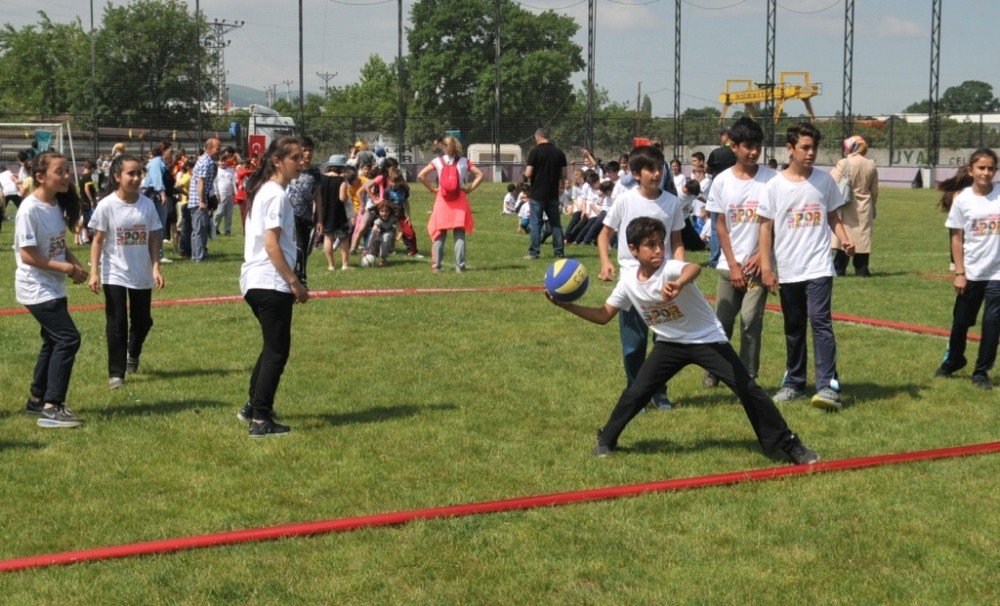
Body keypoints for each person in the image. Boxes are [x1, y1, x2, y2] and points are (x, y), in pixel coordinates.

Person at [548, 217, 819, 465]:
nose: (657, 250)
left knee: (747, 388)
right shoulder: (629, 280)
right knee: (637, 391)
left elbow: (692, 268)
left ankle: (788, 444)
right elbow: (603, 315)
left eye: (660, 244)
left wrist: (679, 284)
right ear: (633, 249)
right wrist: (566, 306)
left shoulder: (670, 270)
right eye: (649, 245)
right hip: (669, 343)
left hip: (706, 339)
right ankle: (607, 438)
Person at [758, 122, 854, 410]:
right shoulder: (774, 185)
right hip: (789, 268)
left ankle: (827, 387)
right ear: (790, 149)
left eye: (814, 147)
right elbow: (765, 229)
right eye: (805, 147)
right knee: (794, 326)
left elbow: (833, 217)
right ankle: (794, 383)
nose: (811, 153)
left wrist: (845, 240)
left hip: (819, 267)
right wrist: (766, 268)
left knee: (821, 323)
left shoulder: (825, 182)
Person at [597, 145, 685, 410]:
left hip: (663, 280)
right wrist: (605, 262)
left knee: (664, 342)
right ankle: (636, 392)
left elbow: (677, 241)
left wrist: (678, 273)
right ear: (636, 173)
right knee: (633, 345)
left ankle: (659, 392)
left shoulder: (672, 202)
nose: (656, 173)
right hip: (631, 281)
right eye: (650, 169)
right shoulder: (625, 200)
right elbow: (604, 235)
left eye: (660, 168)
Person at [237, 136, 309, 437]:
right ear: (277, 161)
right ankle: (260, 421)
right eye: (294, 157)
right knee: (278, 351)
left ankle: (253, 408)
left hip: (256, 281)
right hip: (270, 281)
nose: (301, 162)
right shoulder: (276, 195)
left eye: (302, 156)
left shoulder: (266, 191)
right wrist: (294, 282)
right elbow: (271, 245)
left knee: (271, 347)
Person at [14, 152, 89, 428]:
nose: (67, 175)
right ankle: (52, 406)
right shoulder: (29, 210)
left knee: (53, 340)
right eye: (60, 171)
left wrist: (74, 263)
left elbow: (58, 244)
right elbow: (28, 256)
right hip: (36, 287)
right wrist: (66, 269)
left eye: (67, 170)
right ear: (41, 177)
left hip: (52, 286)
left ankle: (37, 400)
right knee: (69, 338)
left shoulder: (55, 204)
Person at [703, 116, 776, 389]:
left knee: (750, 321)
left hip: (760, 266)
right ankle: (715, 370)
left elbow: (776, 223)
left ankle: (748, 378)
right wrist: (733, 264)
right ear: (734, 146)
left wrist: (762, 256)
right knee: (721, 323)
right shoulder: (722, 182)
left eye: (758, 145)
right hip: (729, 264)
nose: (754, 151)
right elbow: (720, 225)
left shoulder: (772, 180)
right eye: (748, 146)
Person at [88, 155, 165, 389]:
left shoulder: (147, 204)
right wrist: (94, 272)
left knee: (143, 321)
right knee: (117, 322)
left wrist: (155, 267)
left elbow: (153, 238)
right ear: (117, 177)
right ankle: (116, 373)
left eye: (138, 173)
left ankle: (133, 353)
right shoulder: (107, 205)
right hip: (115, 273)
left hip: (141, 273)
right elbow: (98, 241)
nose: (135, 178)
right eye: (130, 174)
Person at [935, 148, 999, 390]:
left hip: (997, 274)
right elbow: (956, 238)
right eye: (981, 168)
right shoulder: (962, 198)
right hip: (971, 272)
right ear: (971, 170)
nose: (986, 172)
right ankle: (954, 359)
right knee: (961, 321)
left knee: (993, 323)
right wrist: (960, 272)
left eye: (991, 168)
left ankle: (982, 372)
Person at [417, 136, 484, 273]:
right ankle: (460, 267)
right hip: (459, 199)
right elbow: (480, 175)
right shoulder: (465, 161)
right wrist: (470, 189)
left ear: (444, 147)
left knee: (439, 234)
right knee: (459, 235)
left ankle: (437, 267)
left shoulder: (438, 161)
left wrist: (432, 189)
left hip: (442, 200)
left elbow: (421, 175)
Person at [830, 135, 879, 277]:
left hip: (845, 205)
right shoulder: (871, 164)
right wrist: (873, 206)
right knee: (862, 239)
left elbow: (832, 181)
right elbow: (874, 190)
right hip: (864, 206)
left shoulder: (843, 163)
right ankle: (862, 270)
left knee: (843, 239)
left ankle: (839, 269)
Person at [523, 127, 567, 260]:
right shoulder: (559, 153)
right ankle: (559, 252)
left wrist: (524, 174)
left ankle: (534, 252)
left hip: (537, 193)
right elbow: (564, 174)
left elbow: (529, 173)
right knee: (555, 223)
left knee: (536, 222)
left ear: (538, 137)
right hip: (553, 193)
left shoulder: (535, 152)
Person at [285, 137, 320, 286]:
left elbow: (319, 197)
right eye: (304, 150)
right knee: (294, 246)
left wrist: (320, 219)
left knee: (304, 247)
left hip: (306, 215)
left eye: (310, 150)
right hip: (289, 214)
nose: (307, 153)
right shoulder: (292, 169)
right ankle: (295, 276)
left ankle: (302, 274)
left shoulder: (315, 172)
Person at [706, 127, 738, 268]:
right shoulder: (737, 153)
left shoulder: (716, 153)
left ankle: (715, 259)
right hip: (735, 189)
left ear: (725, 136)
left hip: (718, 189)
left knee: (715, 227)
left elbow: (708, 169)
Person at [187, 137, 221, 262]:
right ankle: (198, 257)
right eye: (218, 148)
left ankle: (200, 255)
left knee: (201, 230)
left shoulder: (208, 162)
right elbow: (201, 182)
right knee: (199, 231)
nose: (220, 151)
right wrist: (202, 201)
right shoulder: (205, 163)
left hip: (201, 201)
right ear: (209, 148)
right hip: (198, 202)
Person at [317, 153, 353, 271]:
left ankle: (331, 265)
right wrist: (348, 198)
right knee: (343, 238)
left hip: (325, 213)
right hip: (338, 214)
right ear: (341, 167)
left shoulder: (321, 178)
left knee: (328, 238)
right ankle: (345, 265)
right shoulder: (341, 180)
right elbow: (342, 198)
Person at [213, 147, 237, 238]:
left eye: (224, 161)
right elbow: (214, 183)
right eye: (221, 161)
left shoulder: (231, 170)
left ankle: (228, 230)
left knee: (229, 213)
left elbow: (233, 182)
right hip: (221, 194)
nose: (223, 163)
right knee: (219, 212)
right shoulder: (217, 171)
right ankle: (214, 227)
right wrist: (216, 193)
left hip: (229, 194)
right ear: (218, 162)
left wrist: (235, 193)